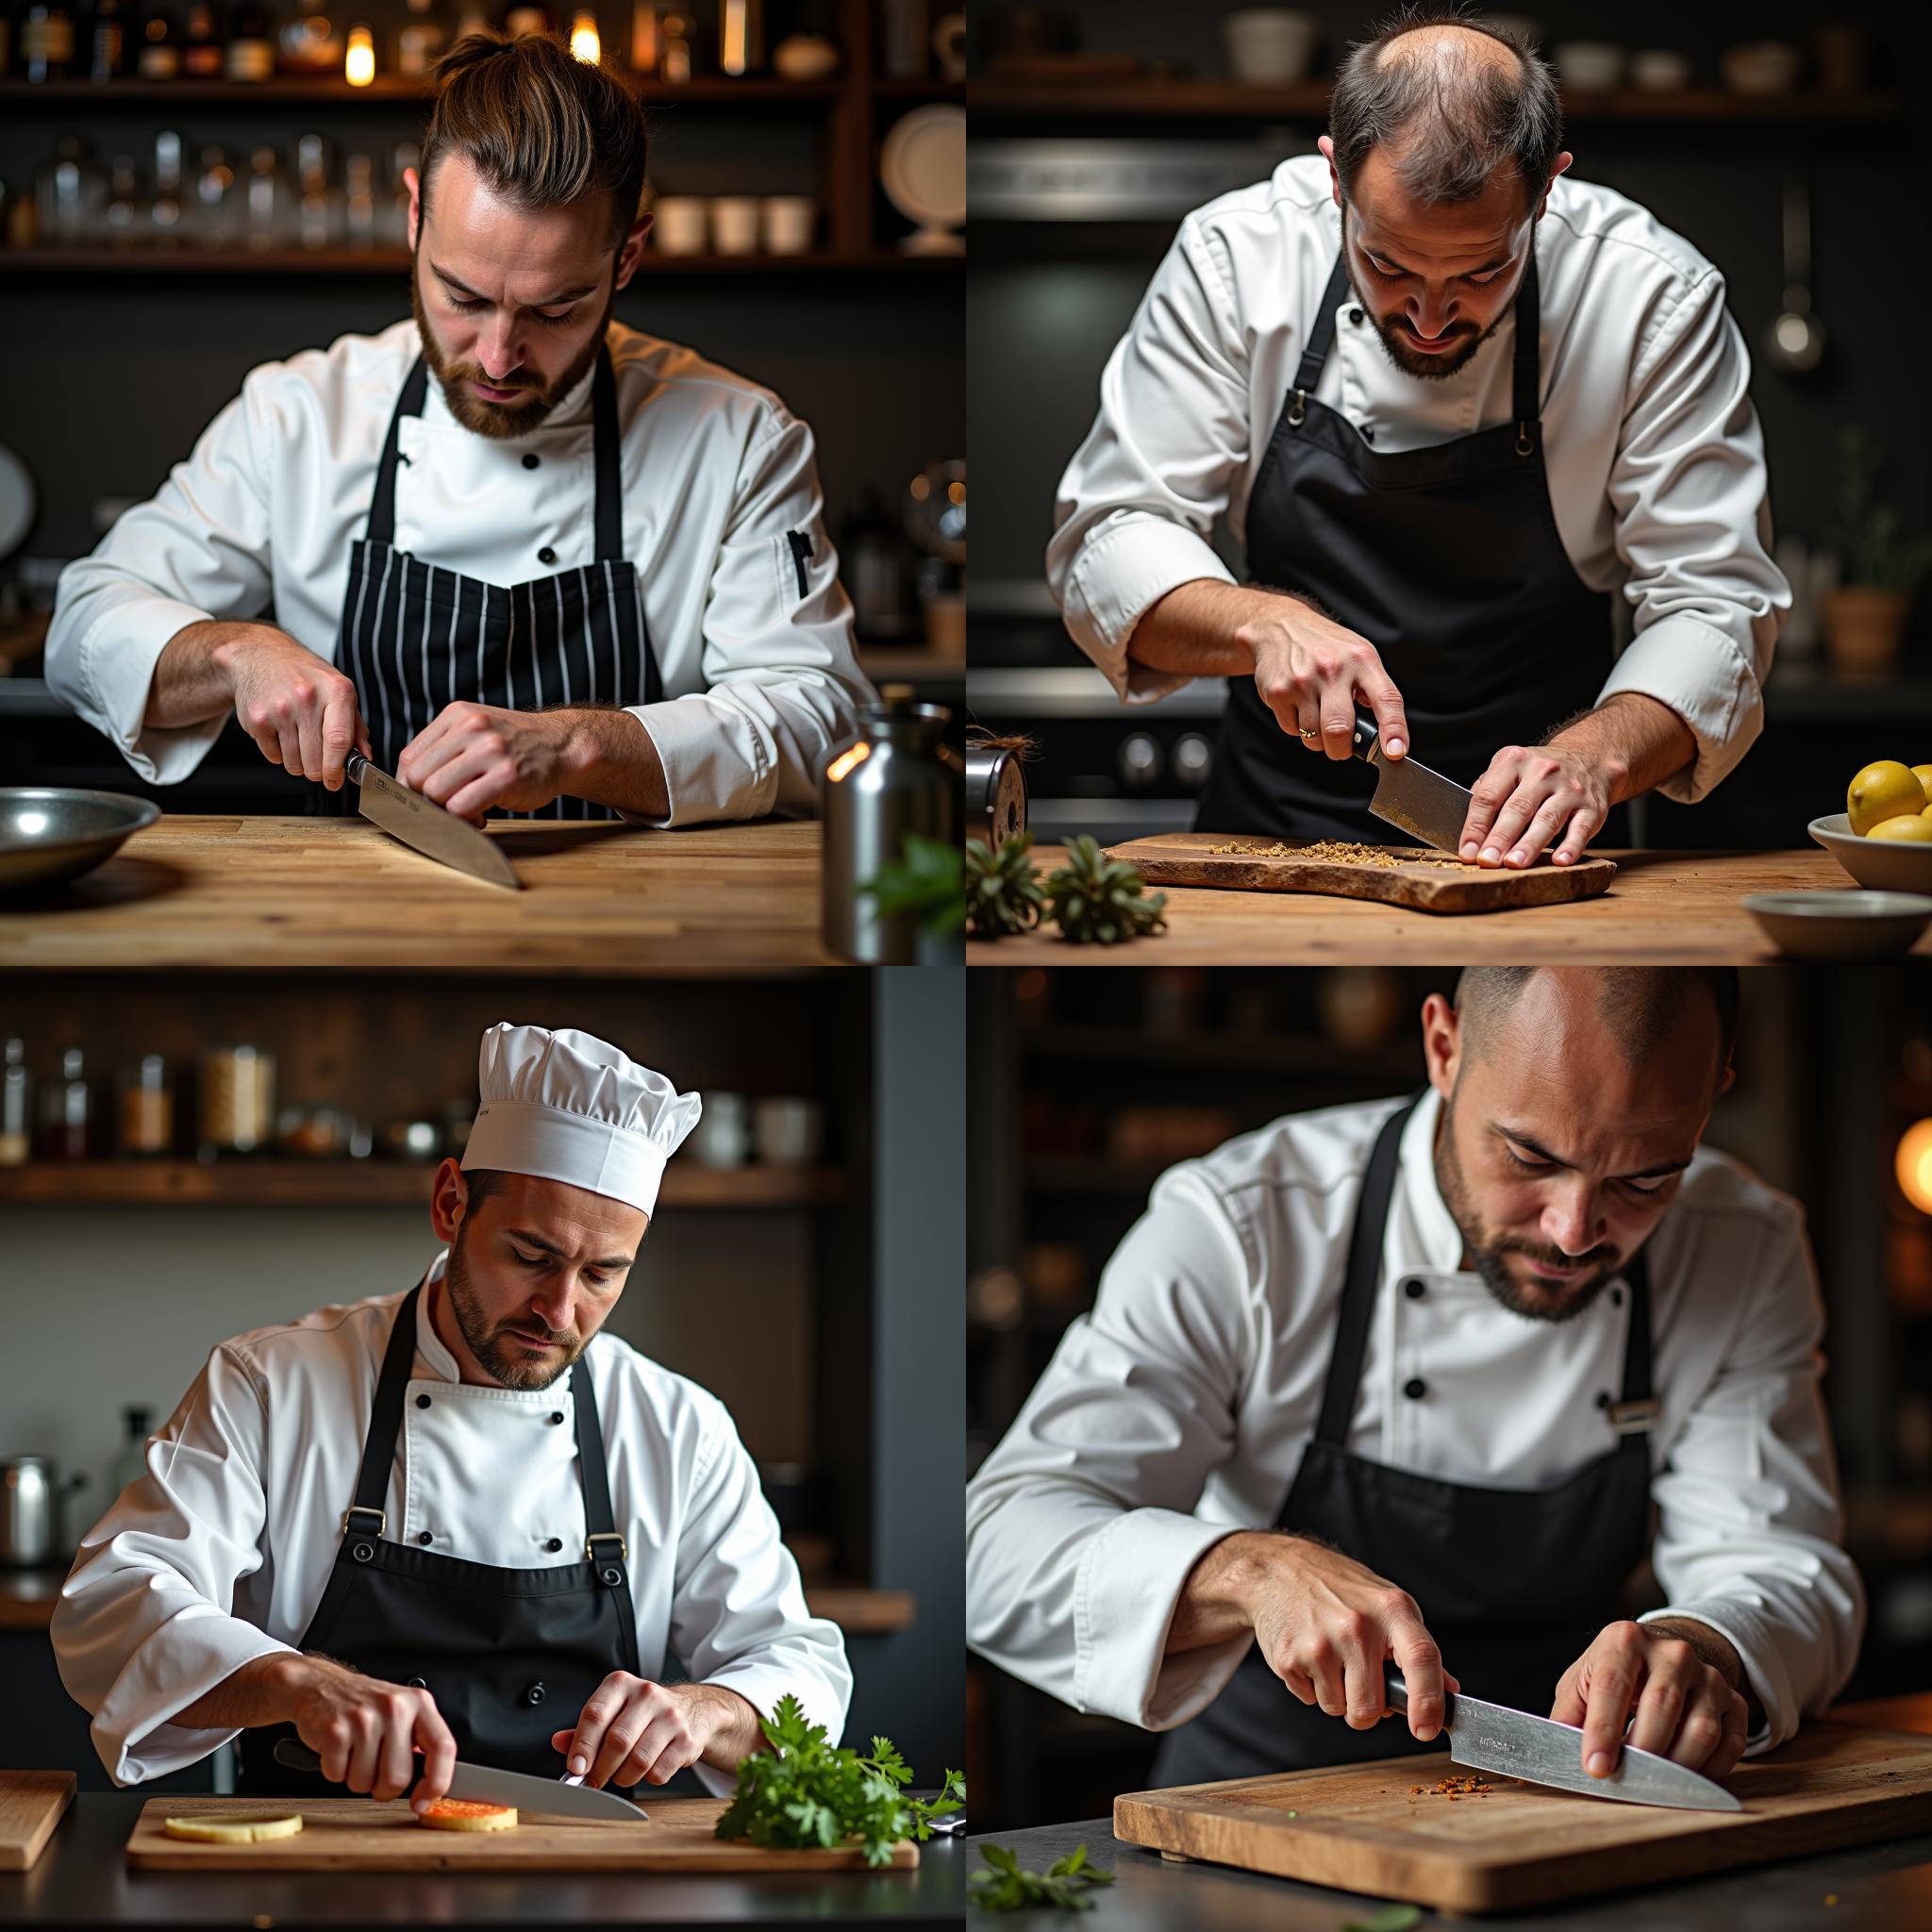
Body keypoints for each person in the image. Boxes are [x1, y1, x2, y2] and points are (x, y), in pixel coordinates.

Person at [967, 968, 1862, 1788]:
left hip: (1568, 1794)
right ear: (1443, 1046)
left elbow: (1778, 1560)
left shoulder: (1744, 1246)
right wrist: (1247, 1568)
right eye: (1530, 1157)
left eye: (1646, 1179)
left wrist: (1701, 1647)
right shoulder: (1243, 1226)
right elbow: (995, 1543)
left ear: (1715, 1097)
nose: (1576, 1230)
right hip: (1255, 1796)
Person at [46, 33, 872, 826]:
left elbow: (824, 719)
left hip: (642, 917)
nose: (501, 357)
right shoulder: (299, 415)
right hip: (348, 915)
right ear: (414, 220)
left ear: (626, 258)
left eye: (555, 309)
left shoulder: (740, 439)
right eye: (463, 298)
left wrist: (580, 744)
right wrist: (232, 652)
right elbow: (85, 624)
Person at [1047, 12, 1786, 861]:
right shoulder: (1234, 259)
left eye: (1481, 271)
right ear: (1337, 179)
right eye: (1390, 264)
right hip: (1269, 835)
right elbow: (1108, 538)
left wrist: (1592, 757)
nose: (1432, 318)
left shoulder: (1652, 298)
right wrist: (1262, 622)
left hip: (1534, 843)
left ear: (1547, 189)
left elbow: (1716, 605)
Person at [54, 1024, 849, 1807]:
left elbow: (794, 1667)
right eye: (531, 1257)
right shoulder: (270, 1384)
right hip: (319, 1872)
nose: (560, 1309)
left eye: (604, 1274)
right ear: (449, 1203)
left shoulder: (678, 1427)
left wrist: (703, 1711)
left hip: (589, 1870)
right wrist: (298, 1684)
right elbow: (113, 1608)